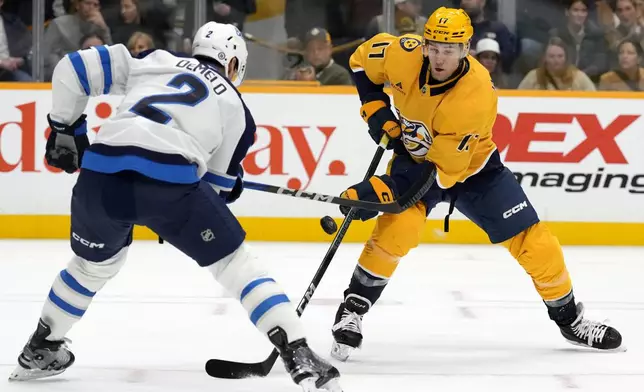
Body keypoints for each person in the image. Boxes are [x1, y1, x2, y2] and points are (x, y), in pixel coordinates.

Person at [9, 21, 342, 392]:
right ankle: (297, 350)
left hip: (99, 175)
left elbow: (71, 68)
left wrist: (64, 128)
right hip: (169, 183)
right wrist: (225, 190)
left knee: (92, 266)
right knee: (235, 264)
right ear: (233, 65)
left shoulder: (153, 59)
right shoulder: (236, 108)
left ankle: (40, 346)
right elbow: (214, 190)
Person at [330, 7, 624, 362]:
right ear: (424, 44)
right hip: (416, 158)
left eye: (450, 49)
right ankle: (353, 309)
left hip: (472, 169)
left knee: (536, 244)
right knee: (397, 229)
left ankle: (570, 320)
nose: (440, 56)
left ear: (466, 48)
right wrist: (376, 112)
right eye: (434, 46)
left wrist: (379, 193)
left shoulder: (476, 94)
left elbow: (439, 172)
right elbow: (361, 62)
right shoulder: (401, 53)